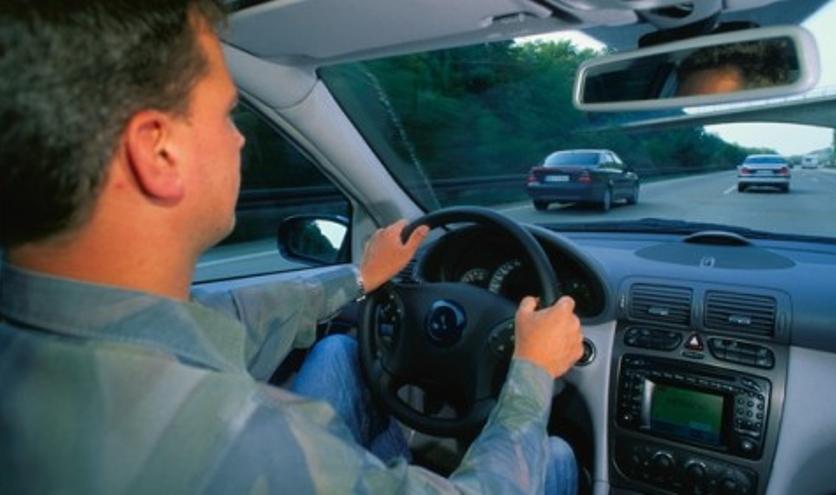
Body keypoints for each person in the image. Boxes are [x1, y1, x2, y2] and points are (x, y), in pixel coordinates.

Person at [0, 1, 585, 494]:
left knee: (336, 355)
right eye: (228, 112)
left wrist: (359, 280)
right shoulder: (243, 448)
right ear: (159, 154)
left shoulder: (49, 319)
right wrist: (531, 371)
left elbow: (221, 318)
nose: (239, 138)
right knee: (553, 456)